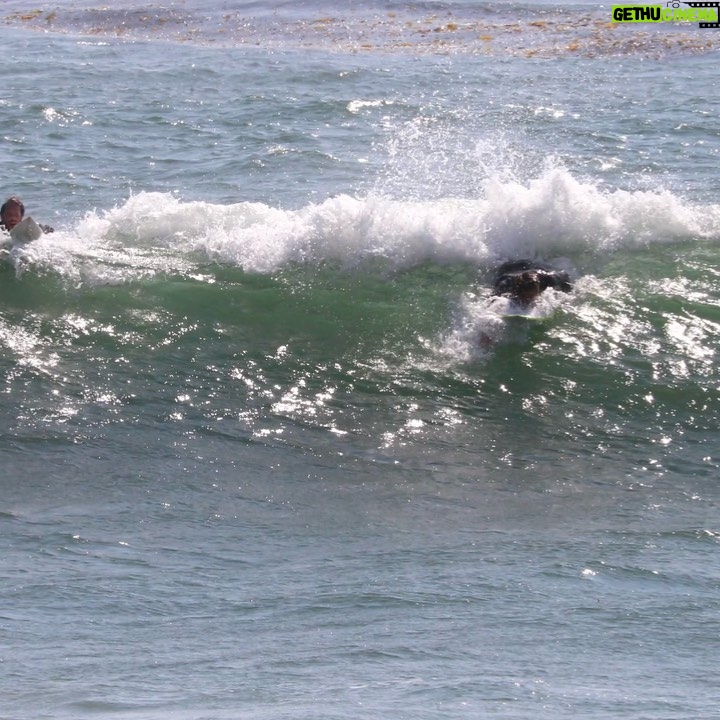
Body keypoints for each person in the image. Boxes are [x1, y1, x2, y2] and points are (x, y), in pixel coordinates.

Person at [491, 259, 572, 306]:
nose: (529, 301)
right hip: (509, 267)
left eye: (532, 296)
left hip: (534, 266)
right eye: (525, 297)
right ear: (517, 291)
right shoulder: (506, 284)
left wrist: (567, 295)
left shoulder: (549, 279)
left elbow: (565, 275)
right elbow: (491, 301)